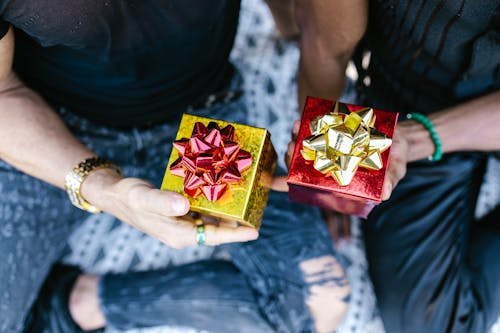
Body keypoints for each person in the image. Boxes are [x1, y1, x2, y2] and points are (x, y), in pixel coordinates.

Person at [0, 1, 351, 333]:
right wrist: (103, 188)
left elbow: (327, 41)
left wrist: (328, 172)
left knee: (319, 302)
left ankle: (79, 301)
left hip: (203, 123)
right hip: (48, 124)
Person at [280, 0, 500, 332]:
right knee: (432, 324)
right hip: (408, 105)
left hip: (434, 129)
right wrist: (329, 163)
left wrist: (417, 139)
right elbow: (326, 45)